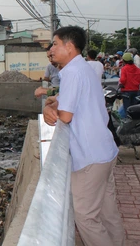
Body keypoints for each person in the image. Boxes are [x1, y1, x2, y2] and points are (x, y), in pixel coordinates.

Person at [43, 26, 124, 246]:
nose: (52, 49)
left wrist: (46, 110)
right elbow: (68, 99)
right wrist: (54, 101)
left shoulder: (72, 72)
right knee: (108, 212)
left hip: (90, 158)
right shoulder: (83, 68)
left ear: (69, 47)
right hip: (105, 150)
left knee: (86, 216)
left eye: (55, 43)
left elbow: (66, 116)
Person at [118, 52, 140, 117]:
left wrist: (121, 84)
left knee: (127, 109)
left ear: (124, 61)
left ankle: (128, 122)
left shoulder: (124, 69)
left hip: (126, 92)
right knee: (134, 109)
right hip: (136, 91)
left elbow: (123, 80)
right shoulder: (137, 69)